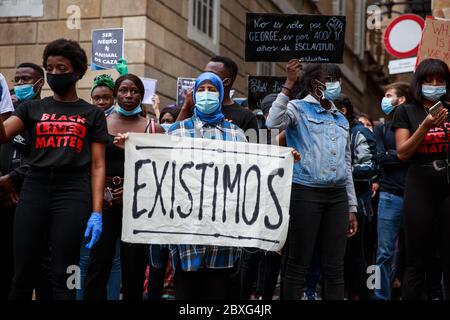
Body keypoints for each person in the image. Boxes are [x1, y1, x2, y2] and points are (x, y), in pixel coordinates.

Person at [0, 38, 109, 300]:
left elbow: (97, 165)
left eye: (62, 68)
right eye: (50, 68)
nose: (55, 74)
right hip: (34, 189)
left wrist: (96, 212)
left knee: (66, 270)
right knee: (23, 270)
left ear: (77, 72)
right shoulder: (32, 108)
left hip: (72, 193)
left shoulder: (92, 114)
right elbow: (3, 135)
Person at [266, 59, 358, 300]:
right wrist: (288, 84)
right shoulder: (298, 108)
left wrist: (351, 206)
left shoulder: (340, 119)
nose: (334, 85)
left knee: (334, 267)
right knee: (297, 263)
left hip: (337, 196)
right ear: (313, 83)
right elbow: (272, 123)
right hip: (305, 192)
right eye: (329, 80)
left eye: (337, 80)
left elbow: (346, 165)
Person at [166, 71, 248, 300]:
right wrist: (130, 145)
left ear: (221, 95)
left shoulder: (237, 134)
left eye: (212, 90)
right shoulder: (177, 131)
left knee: (218, 290)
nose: (206, 95)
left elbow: (249, 176)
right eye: (201, 90)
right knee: (186, 291)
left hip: (222, 230)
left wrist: (285, 157)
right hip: (187, 226)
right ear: (193, 95)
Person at [84, 74, 164, 300]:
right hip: (105, 204)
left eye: (135, 91)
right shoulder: (100, 123)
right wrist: (99, 200)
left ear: (142, 95)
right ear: (116, 93)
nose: (129, 96)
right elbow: (92, 165)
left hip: (136, 208)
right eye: (124, 90)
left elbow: (160, 172)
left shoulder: (153, 128)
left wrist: (132, 189)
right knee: (98, 267)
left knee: (134, 269)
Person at [392, 58, 450, 300]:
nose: (435, 84)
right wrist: (425, 126)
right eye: (429, 80)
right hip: (419, 183)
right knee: (416, 257)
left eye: (440, 80)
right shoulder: (406, 111)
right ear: (419, 83)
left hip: (447, 182)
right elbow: (403, 153)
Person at [0, 62, 52, 300]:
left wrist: (14, 180)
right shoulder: (8, 115)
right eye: (16, 80)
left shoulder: (46, 115)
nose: (19, 84)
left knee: (39, 266)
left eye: (26, 80)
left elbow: (47, 157)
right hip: (3, 199)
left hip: (33, 199)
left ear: (40, 83)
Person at [77, 74, 122, 301]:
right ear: (91, 99)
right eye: (97, 98)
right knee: (84, 258)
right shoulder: (85, 122)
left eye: (106, 97)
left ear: (113, 98)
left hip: (113, 200)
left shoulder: (118, 122)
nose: (102, 102)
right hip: (87, 197)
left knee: (112, 260)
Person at [336, 94, 378, 300]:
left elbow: (370, 166)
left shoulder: (358, 133)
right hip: (331, 203)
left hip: (357, 205)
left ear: (343, 110)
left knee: (357, 256)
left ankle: (366, 295)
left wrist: (341, 172)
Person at [373, 82, 410, 300]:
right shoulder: (381, 128)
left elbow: (410, 155)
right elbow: (380, 157)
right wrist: (403, 155)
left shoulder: (414, 125)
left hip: (415, 195)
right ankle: (379, 295)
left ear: (401, 100)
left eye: (389, 95)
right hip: (389, 196)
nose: (385, 99)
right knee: (383, 253)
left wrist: (393, 154)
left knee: (413, 253)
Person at [177, 56, 259, 142]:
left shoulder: (246, 117)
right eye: (204, 73)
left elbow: (251, 150)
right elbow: (176, 135)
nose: (206, 77)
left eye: (211, 74)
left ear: (226, 82)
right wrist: (186, 107)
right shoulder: (197, 108)